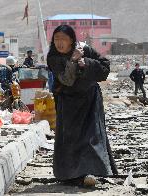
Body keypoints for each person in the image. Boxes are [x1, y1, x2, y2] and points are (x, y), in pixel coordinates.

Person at [47, 25, 117, 187]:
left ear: (72, 40)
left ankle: (91, 172)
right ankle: (71, 175)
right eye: (56, 39)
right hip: (68, 105)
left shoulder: (84, 49)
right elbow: (67, 80)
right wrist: (73, 60)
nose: (59, 43)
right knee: (71, 139)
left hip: (90, 102)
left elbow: (105, 68)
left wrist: (87, 63)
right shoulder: (53, 58)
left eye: (63, 39)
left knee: (91, 137)